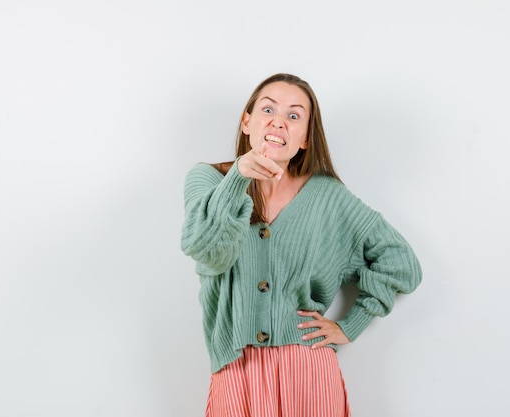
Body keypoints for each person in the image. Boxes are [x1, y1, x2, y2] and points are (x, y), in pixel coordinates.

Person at [181, 73, 422, 417]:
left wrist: (349, 326)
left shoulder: (327, 196)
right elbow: (206, 250)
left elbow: (402, 264)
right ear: (247, 122)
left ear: (305, 138)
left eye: (294, 116)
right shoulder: (209, 179)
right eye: (268, 109)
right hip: (237, 367)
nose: (279, 121)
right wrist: (239, 178)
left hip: (308, 370)